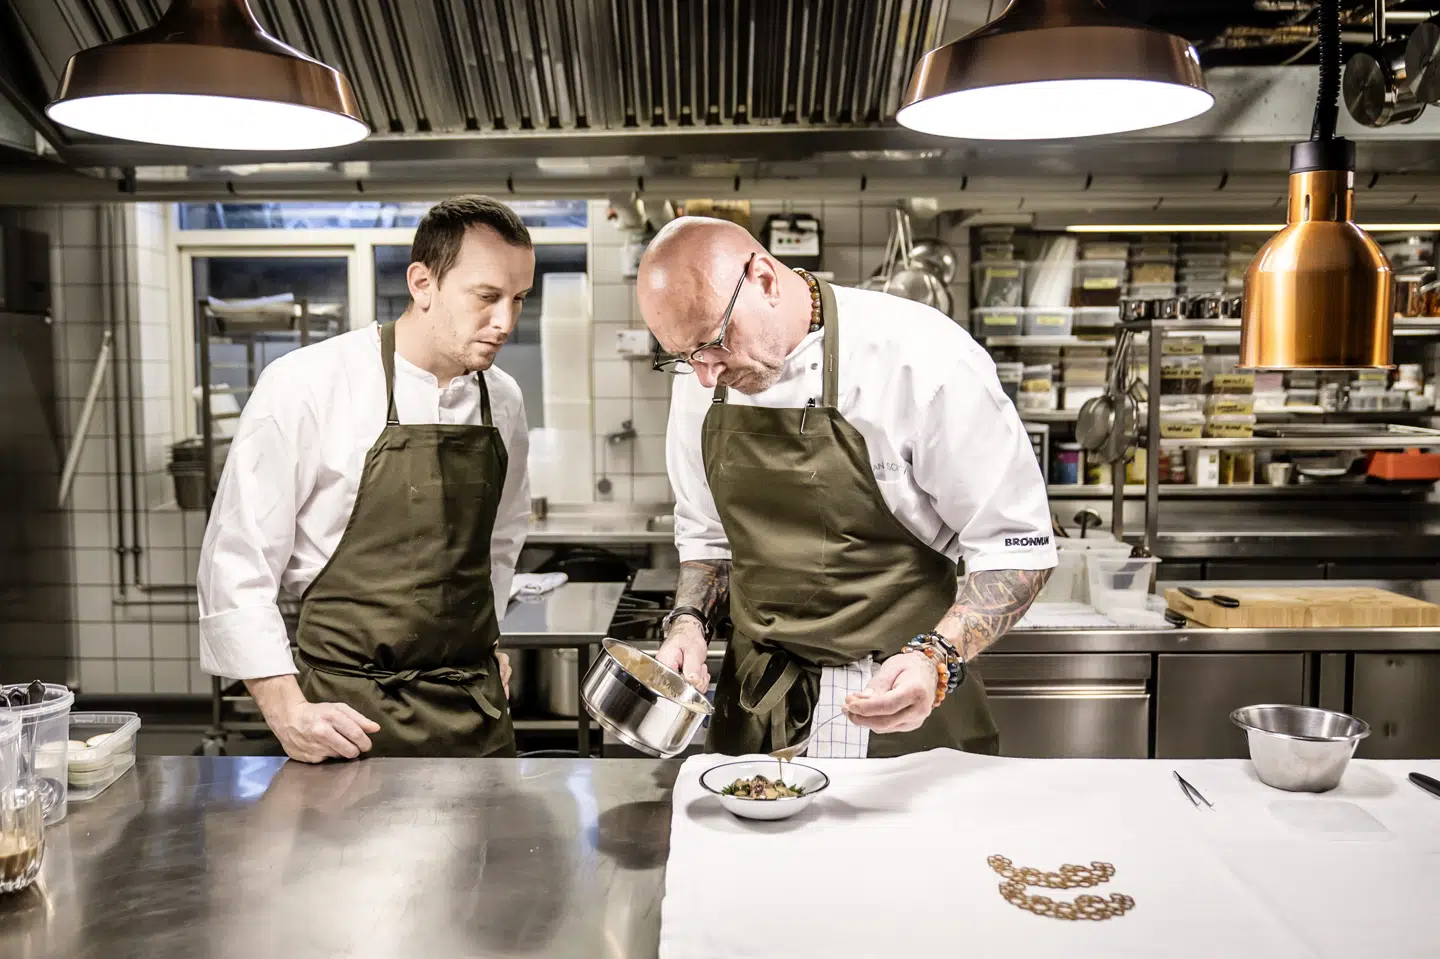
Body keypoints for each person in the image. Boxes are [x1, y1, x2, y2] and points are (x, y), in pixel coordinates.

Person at [638, 216, 1056, 758]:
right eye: (682, 356)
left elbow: (1015, 547)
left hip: (903, 707)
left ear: (764, 279)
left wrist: (937, 658)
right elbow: (708, 539)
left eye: (713, 343)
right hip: (760, 712)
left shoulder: (922, 357)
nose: (704, 375)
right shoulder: (703, 375)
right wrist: (688, 624)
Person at [197, 195, 533, 761]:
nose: (505, 322)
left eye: (519, 298)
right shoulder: (308, 384)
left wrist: (485, 639)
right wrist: (285, 709)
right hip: (348, 723)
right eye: (487, 296)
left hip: (474, 717)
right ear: (422, 284)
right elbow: (236, 563)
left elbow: (499, 544)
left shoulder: (502, 399)